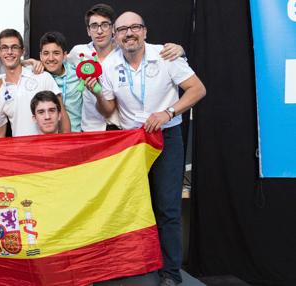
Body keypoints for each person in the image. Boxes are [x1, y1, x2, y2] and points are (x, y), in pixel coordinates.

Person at [90, 11, 206, 286]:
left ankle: (170, 273)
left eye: (134, 28)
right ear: (116, 36)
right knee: (133, 207)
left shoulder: (166, 56)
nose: (129, 33)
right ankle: (136, 265)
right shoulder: (108, 66)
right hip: (132, 143)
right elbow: (108, 110)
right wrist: (95, 92)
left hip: (166, 137)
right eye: (122, 30)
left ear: (145, 31)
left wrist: (167, 112)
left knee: (167, 208)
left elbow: (197, 89)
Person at [68, 3, 184, 132]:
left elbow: (150, 49)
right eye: (94, 26)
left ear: (113, 29)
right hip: (91, 126)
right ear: (88, 31)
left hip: (120, 127)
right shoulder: (78, 52)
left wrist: (181, 50)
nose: (99, 31)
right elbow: (55, 62)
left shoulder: (126, 48)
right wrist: (40, 64)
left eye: (105, 25)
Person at [0, 29, 70, 137]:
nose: (9, 52)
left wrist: (66, 147)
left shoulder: (42, 77)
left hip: (49, 151)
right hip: (21, 152)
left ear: (22, 51)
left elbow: (63, 117)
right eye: (4, 48)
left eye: (14, 47)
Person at [39, 32, 82, 132]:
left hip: (76, 137)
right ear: (40, 56)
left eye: (56, 53)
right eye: (46, 53)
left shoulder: (77, 73)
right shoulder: (36, 76)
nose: (51, 58)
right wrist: (29, 61)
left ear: (65, 55)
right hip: (48, 139)